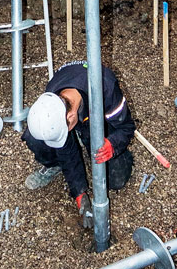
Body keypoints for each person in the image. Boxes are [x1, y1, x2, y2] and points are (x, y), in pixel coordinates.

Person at [22, 58, 136, 230]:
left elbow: (127, 127)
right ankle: (54, 164)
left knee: (116, 179)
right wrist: (79, 193)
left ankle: (106, 147)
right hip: (79, 112)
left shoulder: (106, 89)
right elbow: (66, 150)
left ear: (70, 117)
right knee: (35, 137)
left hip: (97, 116)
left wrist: (112, 144)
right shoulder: (51, 100)